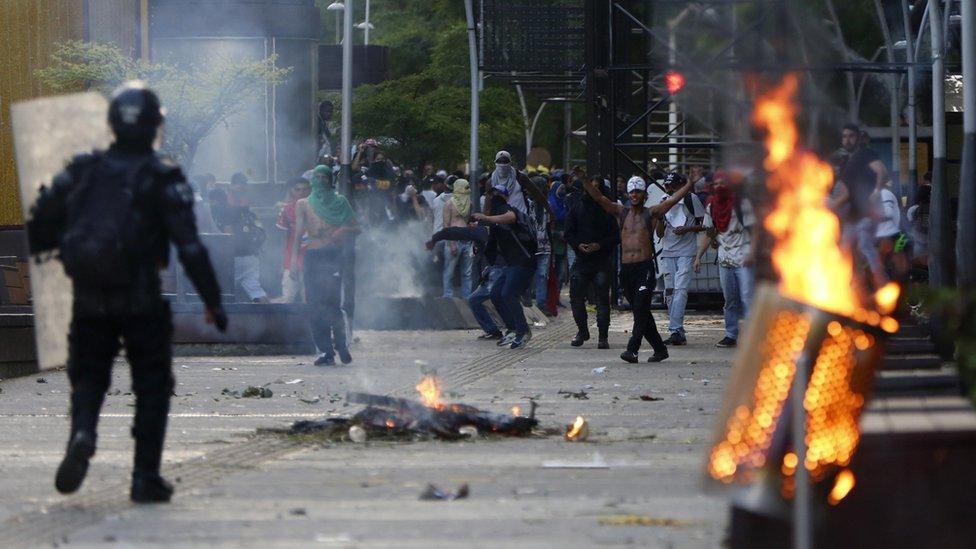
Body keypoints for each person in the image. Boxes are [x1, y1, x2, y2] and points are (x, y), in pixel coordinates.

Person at [26, 82, 227, 503]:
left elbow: (41, 222)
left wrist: (59, 250)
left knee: (88, 375)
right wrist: (212, 300)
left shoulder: (80, 170)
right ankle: (144, 476)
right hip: (141, 297)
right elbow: (189, 246)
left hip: (88, 295)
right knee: (152, 384)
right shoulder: (162, 176)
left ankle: (82, 432)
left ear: (113, 123)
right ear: (155, 125)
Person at [583, 174, 694, 363]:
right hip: (627, 270)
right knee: (640, 310)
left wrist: (690, 183)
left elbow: (674, 200)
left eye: (638, 192)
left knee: (640, 308)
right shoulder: (621, 212)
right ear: (628, 193)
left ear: (644, 195)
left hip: (645, 268)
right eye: (632, 191)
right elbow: (600, 199)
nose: (634, 195)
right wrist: (584, 181)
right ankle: (660, 349)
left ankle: (632, 349)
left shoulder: (650, 213)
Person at [291, 165, 360, 366]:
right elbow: (297, 234)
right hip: (312, 256)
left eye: (324, 177)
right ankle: (325, 351)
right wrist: (294, 263)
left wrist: (342, 230)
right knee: (314, 305)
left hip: (333, 256)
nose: (320, 180)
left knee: (333, 303)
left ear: (330, 180)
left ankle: (341, 345)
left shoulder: (340, 202)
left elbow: (357, 227)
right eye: (317, 177)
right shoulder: (303, 204)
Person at [471, 185, 538, 349]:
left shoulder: (505, 209)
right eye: (489, 194)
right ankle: (513, 329)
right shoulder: (493, 218)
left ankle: (523, 331)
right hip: (510, 264)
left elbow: (511, 217)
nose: (490, 197)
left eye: (494, 194)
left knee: (508, 293)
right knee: (495, 294)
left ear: (505, 197)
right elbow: (491, 246)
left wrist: (486, 218)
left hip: (524, 261)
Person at [693, 171, 756, 348]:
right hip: (724, 258)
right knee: (729, 299)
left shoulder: (742, 204)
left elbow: (755, 230)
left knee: (747, 298)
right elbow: (709, 233)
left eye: (723, 183)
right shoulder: (711, 206)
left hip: (744, 257)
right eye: (716, 184)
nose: (719, 187)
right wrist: (698, 256)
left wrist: (753, 253)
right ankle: (731, 334)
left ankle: (752, 337)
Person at [565, 175, 620, 349]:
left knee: (602, 300)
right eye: (590, 187)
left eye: (596, 187)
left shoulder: (607, 210)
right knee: (576, 298)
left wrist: (599, 245)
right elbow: (569, 232)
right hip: (582, 260)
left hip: (602, 261)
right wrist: (578, 245)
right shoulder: (577, 207)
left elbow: (615, 236)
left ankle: (603, 336)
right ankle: (582, 330)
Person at [835, 124, 891, 288]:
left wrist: (876, 190)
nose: (847, 140)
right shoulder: (847, 161)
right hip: (852, 217)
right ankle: (853, 286)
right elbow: (846, 192)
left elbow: (883, 172)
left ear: (858, 137)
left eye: (851, 136)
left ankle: (882, 284)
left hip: (865, 214)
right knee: (846, 250)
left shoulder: (865, 154)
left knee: (864, 246)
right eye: (844, 136)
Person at [656, 172, 706, 346]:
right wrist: (660, 217)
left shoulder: (691, 199)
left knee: (681, 290)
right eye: (667, 186)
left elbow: (704, 224)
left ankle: (675, 329)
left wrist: (687, 229)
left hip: (686, 251)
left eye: (672, 186)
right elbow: (659, 233)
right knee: (669, 292)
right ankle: (678, 331)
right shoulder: (664, 201)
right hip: (668, 250)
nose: (669, 189)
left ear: (680, 185)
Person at [211, 190, 268, 303]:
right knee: (255, 290)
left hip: (234, 258)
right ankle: (271, 316)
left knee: (222, 290)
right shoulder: (248, 214)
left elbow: (228, 237)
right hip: (252, 258)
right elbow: (263, 235)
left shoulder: (225, 212)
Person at [276, 177, 312, 303]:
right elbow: (284, 239)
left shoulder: (317, 208)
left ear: (310, 190)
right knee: (287, 299)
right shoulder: (286, 210)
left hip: (312, 259)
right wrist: (282, 263)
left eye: (305, 189)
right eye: (298, 190)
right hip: (291, 261)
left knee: (310, 300)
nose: (301, 192)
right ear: (292, 191)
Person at [442, 179, 475, 298]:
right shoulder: (449, 204)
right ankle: (447, 296)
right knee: (449, 272)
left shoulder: (469, 204)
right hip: (454, 240)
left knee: (467, 273)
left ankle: (467, 297)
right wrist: (451, 244)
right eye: (465, 187)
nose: (468, 189)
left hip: (467, 241)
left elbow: (470, 221)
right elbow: (446, 226)